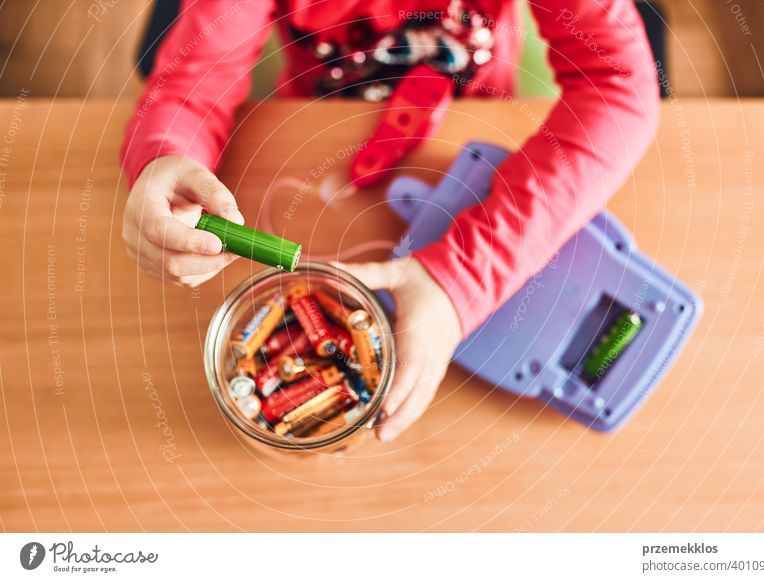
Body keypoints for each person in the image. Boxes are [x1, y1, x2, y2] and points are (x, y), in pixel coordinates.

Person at [121, 0, 660, 442]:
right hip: (318, 115)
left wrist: (464, 279)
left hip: (473, 117)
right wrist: (165, 157)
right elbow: (191, 86)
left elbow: (619, 87)